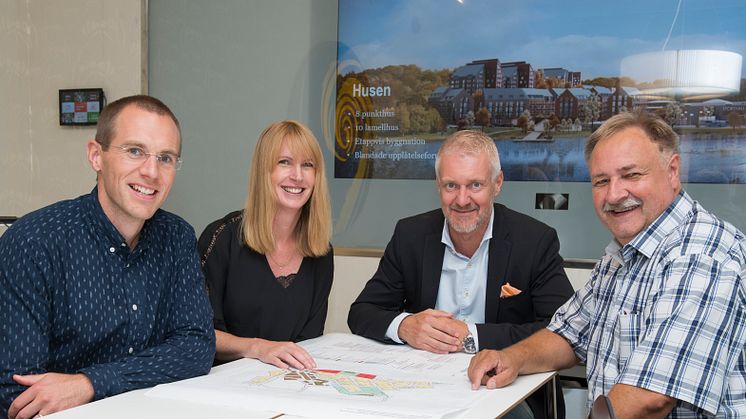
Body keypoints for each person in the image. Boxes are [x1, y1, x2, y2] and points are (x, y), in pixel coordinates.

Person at [468, 112, 746, 418]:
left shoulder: (701, 254)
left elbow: (651, 397)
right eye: (602, 181)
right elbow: (568, 333)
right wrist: (511, 358)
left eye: (631, 175)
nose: (614, 194)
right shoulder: (622, 254)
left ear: (673, 171)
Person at [0, 95, 215, 418]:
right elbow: (17, 394)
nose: (152, 172)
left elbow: (196, 346)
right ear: (96, 156)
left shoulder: (177, 237)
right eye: (134, 151)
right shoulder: (33, 243)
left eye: (166, 158)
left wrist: (89, 383)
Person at [348, 129, 574, 419]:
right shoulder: (411, 235)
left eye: (475, 185)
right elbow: (362, 312)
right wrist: (406, 327)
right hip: (421, 388)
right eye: (451, 185)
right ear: (438, 185)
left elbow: (563, 331)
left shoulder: (534, 241)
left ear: (497, 184)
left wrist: (472, 336)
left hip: (502, 392)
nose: (462, 199)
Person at [199, 120, 333, 371]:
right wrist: (259, 348)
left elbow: (310, 341)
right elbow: (197, 333)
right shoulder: (222, 237)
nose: (297, 175)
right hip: (223, 384)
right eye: (284, 162)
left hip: (286, 385)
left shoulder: (321, 251)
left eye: (308, 165)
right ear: (264, 171)